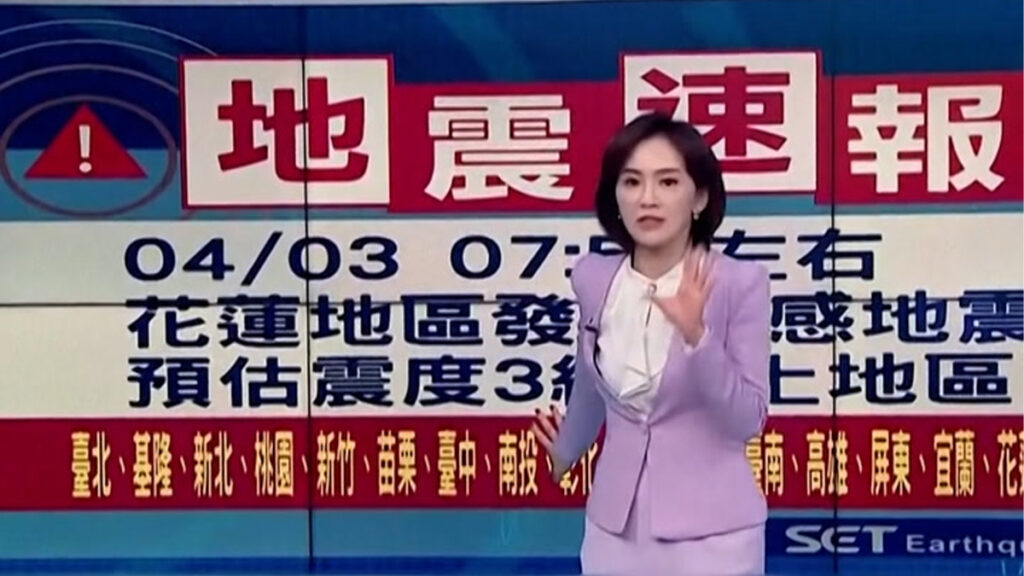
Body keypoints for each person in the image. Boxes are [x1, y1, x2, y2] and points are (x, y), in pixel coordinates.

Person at [531, 112, 771, 575]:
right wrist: (566, 450)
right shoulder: (594, 279)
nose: (647, 198)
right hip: (614, 531)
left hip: (712, 534)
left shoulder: (738, 284)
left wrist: (697, 338)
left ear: (699, 197)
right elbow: (590, 388)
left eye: (667, 182)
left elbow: (746, 420)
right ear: (615, 197)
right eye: (632, 182)